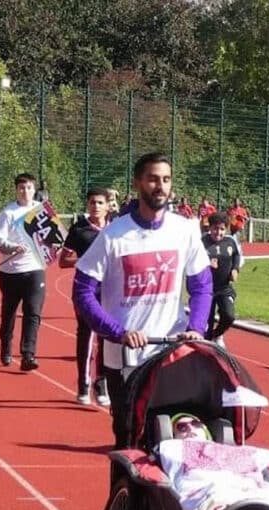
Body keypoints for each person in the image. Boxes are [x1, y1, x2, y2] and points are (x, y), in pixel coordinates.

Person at [72, 151, 213, 447]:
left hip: (171, 352)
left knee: (175, 434)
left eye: (166, 179)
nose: (160, 186)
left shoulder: (184, 230)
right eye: (153, 179)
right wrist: (117, 332)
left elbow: (201, 285)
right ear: (137, 183)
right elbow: (82, 291)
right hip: (125, 357)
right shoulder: (113, 235)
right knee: (128, 439)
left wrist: (196, 328)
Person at [59, 187, 111, 405]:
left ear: (108, 206)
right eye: (92, 202)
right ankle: (83, 383)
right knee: (86, 335)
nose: (96, 206)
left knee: (107, 337)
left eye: (100, 203)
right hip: (86, 289)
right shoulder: (79, 229)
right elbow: (63, 261)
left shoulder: (116, 228)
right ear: (87, 205)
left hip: (111, 291)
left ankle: (102, 383)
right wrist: (84, 261)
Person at [0, 172, 47, 371]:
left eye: (29, 188)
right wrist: (13, 247)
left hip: (35, 269)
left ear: (34, 189)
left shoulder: (41, 210)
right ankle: (6, 345)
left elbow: (51, 237)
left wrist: (52, 247)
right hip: (11, 272)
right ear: (16, 190)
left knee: (33, 312)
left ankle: (28, 354)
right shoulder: (9, 213)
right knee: (9, 313)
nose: (25, 191)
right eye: (22, 188)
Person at [202, 211, 242, 342]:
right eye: (215, 228)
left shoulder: (230, 241)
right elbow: (192, 260)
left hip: (224, 288)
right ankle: (207, 343)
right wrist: (206, 263)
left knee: (229, 316)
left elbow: (236, 256)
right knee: (206, 324)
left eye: (222, 229)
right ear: (210, 227)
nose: (218, 232)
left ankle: (217, 334)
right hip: (206, 289)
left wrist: (235, 269)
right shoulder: (202, 242)